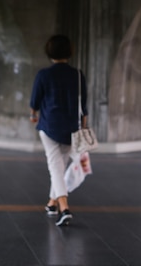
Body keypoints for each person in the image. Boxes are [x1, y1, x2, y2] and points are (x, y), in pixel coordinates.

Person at [29, 34, 88, 227]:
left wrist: (33, 115)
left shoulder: (44, 75)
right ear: (69, 52)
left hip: (49, 126)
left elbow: (35, 101)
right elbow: (83, 104)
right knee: (59, 166)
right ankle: (52, 203)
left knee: (55, 167)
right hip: (72, 128)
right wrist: (83, 126)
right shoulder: (77, 75)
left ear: (49, 52)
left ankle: (64, 208)